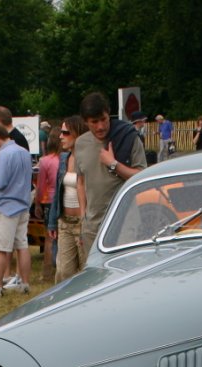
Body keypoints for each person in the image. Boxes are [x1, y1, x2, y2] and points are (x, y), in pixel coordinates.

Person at [76, 92, 147, 254]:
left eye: (104, 119)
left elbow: (142, 177)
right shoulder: (81, 144)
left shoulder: (128, 137)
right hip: (92, 226)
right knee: (95, 276)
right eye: (94, 122)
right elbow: (80, 182)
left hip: (125, 222)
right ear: (86, 122)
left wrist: (114, 164)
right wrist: (83, 218)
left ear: (109, 115)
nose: (100, 126)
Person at [0, 124, 32, 297]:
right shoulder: (24, 152)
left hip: (5, 206)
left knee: (0, 248)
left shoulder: (3, 154)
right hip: (23, 204)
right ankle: (25, 283)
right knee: (22, 245)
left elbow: (0, 182)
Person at [47, 115, 88, 282]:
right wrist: (52, 221)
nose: (60, 136)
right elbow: (58, 191)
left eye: (65, 133)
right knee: (64, 272)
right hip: (65, 222)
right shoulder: (64, 159)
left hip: (84, 223)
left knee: (86, 271)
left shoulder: (88, 159)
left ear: (78, 134)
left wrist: (87, 221)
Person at [35, 130, 60, 282]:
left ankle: (47, 273)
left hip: (48, 200)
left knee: (49, 238)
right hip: (64, 200)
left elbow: (40, 185)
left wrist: (37, 203)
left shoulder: (45, 161)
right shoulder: (67, 159)